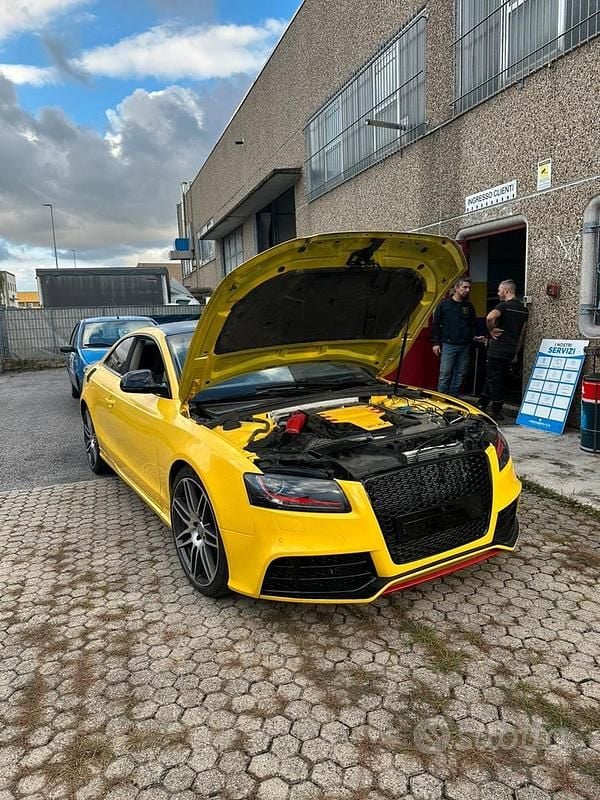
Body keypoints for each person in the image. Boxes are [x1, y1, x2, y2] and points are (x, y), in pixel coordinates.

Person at [478, 279, 529, 422]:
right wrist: (516, 353)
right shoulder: (523, 310)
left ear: (506, 291)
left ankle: (496, 410)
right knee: (495, 378)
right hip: (510, 350)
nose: (498, 293)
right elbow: (522, 334)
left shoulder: (503, 306)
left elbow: (490, 317)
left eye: (500, 290)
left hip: (497, 349)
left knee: (495, 379)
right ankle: (482, 404)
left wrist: (491, 330)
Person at [431, 277, 484, 397]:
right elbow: (435, 325)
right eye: (464, 287)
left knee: (460, 373)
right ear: (456, 288)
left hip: (464, 345)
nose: (467, 290)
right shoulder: (444, 305)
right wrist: (435, 343)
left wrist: (474, 337)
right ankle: (441, 398)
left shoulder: (469, 306)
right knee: (445, 373)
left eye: (469, 287)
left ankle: (453, 397)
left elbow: (472, 325)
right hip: (448, 344)